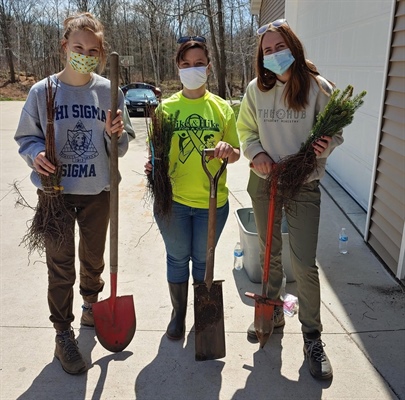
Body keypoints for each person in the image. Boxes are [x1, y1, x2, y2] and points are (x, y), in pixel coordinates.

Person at [14, 12, 135, 374]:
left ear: (101, 53)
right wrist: (35, 153)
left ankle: (90, 306)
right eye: (78, 46)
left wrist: (115, 134)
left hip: (98, 191)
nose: (85, 53)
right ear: (64, 46)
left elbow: (123, 144)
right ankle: (62, 332)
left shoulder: (107, 90)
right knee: (60, 266)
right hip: (56, 195)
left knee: (93, 260)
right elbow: (26, 137)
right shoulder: (42, 91)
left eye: (93, 49)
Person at [237, 19, 343, 380]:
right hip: (265, 181)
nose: (273, 54)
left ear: (294, 49)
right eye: (267, 50)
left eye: (279, 47)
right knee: (269, 253)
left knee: (304, 263)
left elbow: (334, 130)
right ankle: (272, 311)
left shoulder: (318, 88)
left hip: (303, 184)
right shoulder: (256, 90)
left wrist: (326, 145)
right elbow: (245, 129)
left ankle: (312, 336)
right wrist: (255, 154)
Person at [144, 36, 240, 341]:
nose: (192, 69)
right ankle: (179, 314)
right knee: (176, 258)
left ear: (209, 68)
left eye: (199, 64)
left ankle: (202, 312)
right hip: (173, 202)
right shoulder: (165, 110)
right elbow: (155, 155)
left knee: (203, 260)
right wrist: (152, 168)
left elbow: (236, 153)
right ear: (178, 68)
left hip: (212, 202)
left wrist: (227, 150)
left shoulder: (222, 109)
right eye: (186, 64)